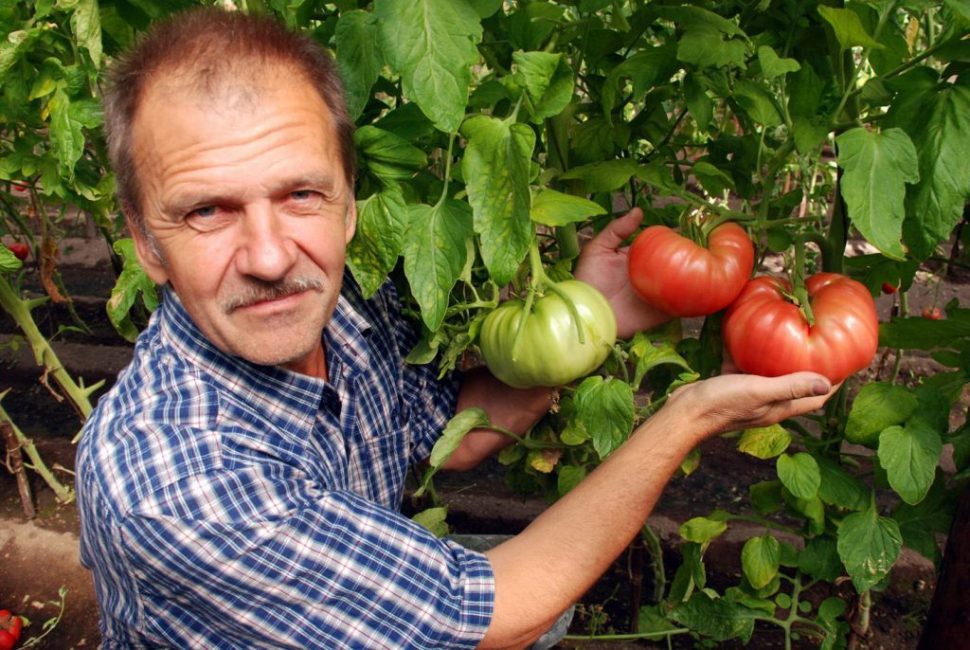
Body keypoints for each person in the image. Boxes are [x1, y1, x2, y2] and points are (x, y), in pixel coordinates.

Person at [75, 7, 835, 649]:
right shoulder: (176, 486)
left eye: (302, 193)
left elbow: (460, 432)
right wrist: (685, 417)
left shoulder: (348, 305)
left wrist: (593, 308)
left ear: (348, 204)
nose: (272, 257)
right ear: (146, 241)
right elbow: (498, 608)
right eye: (208, 210)